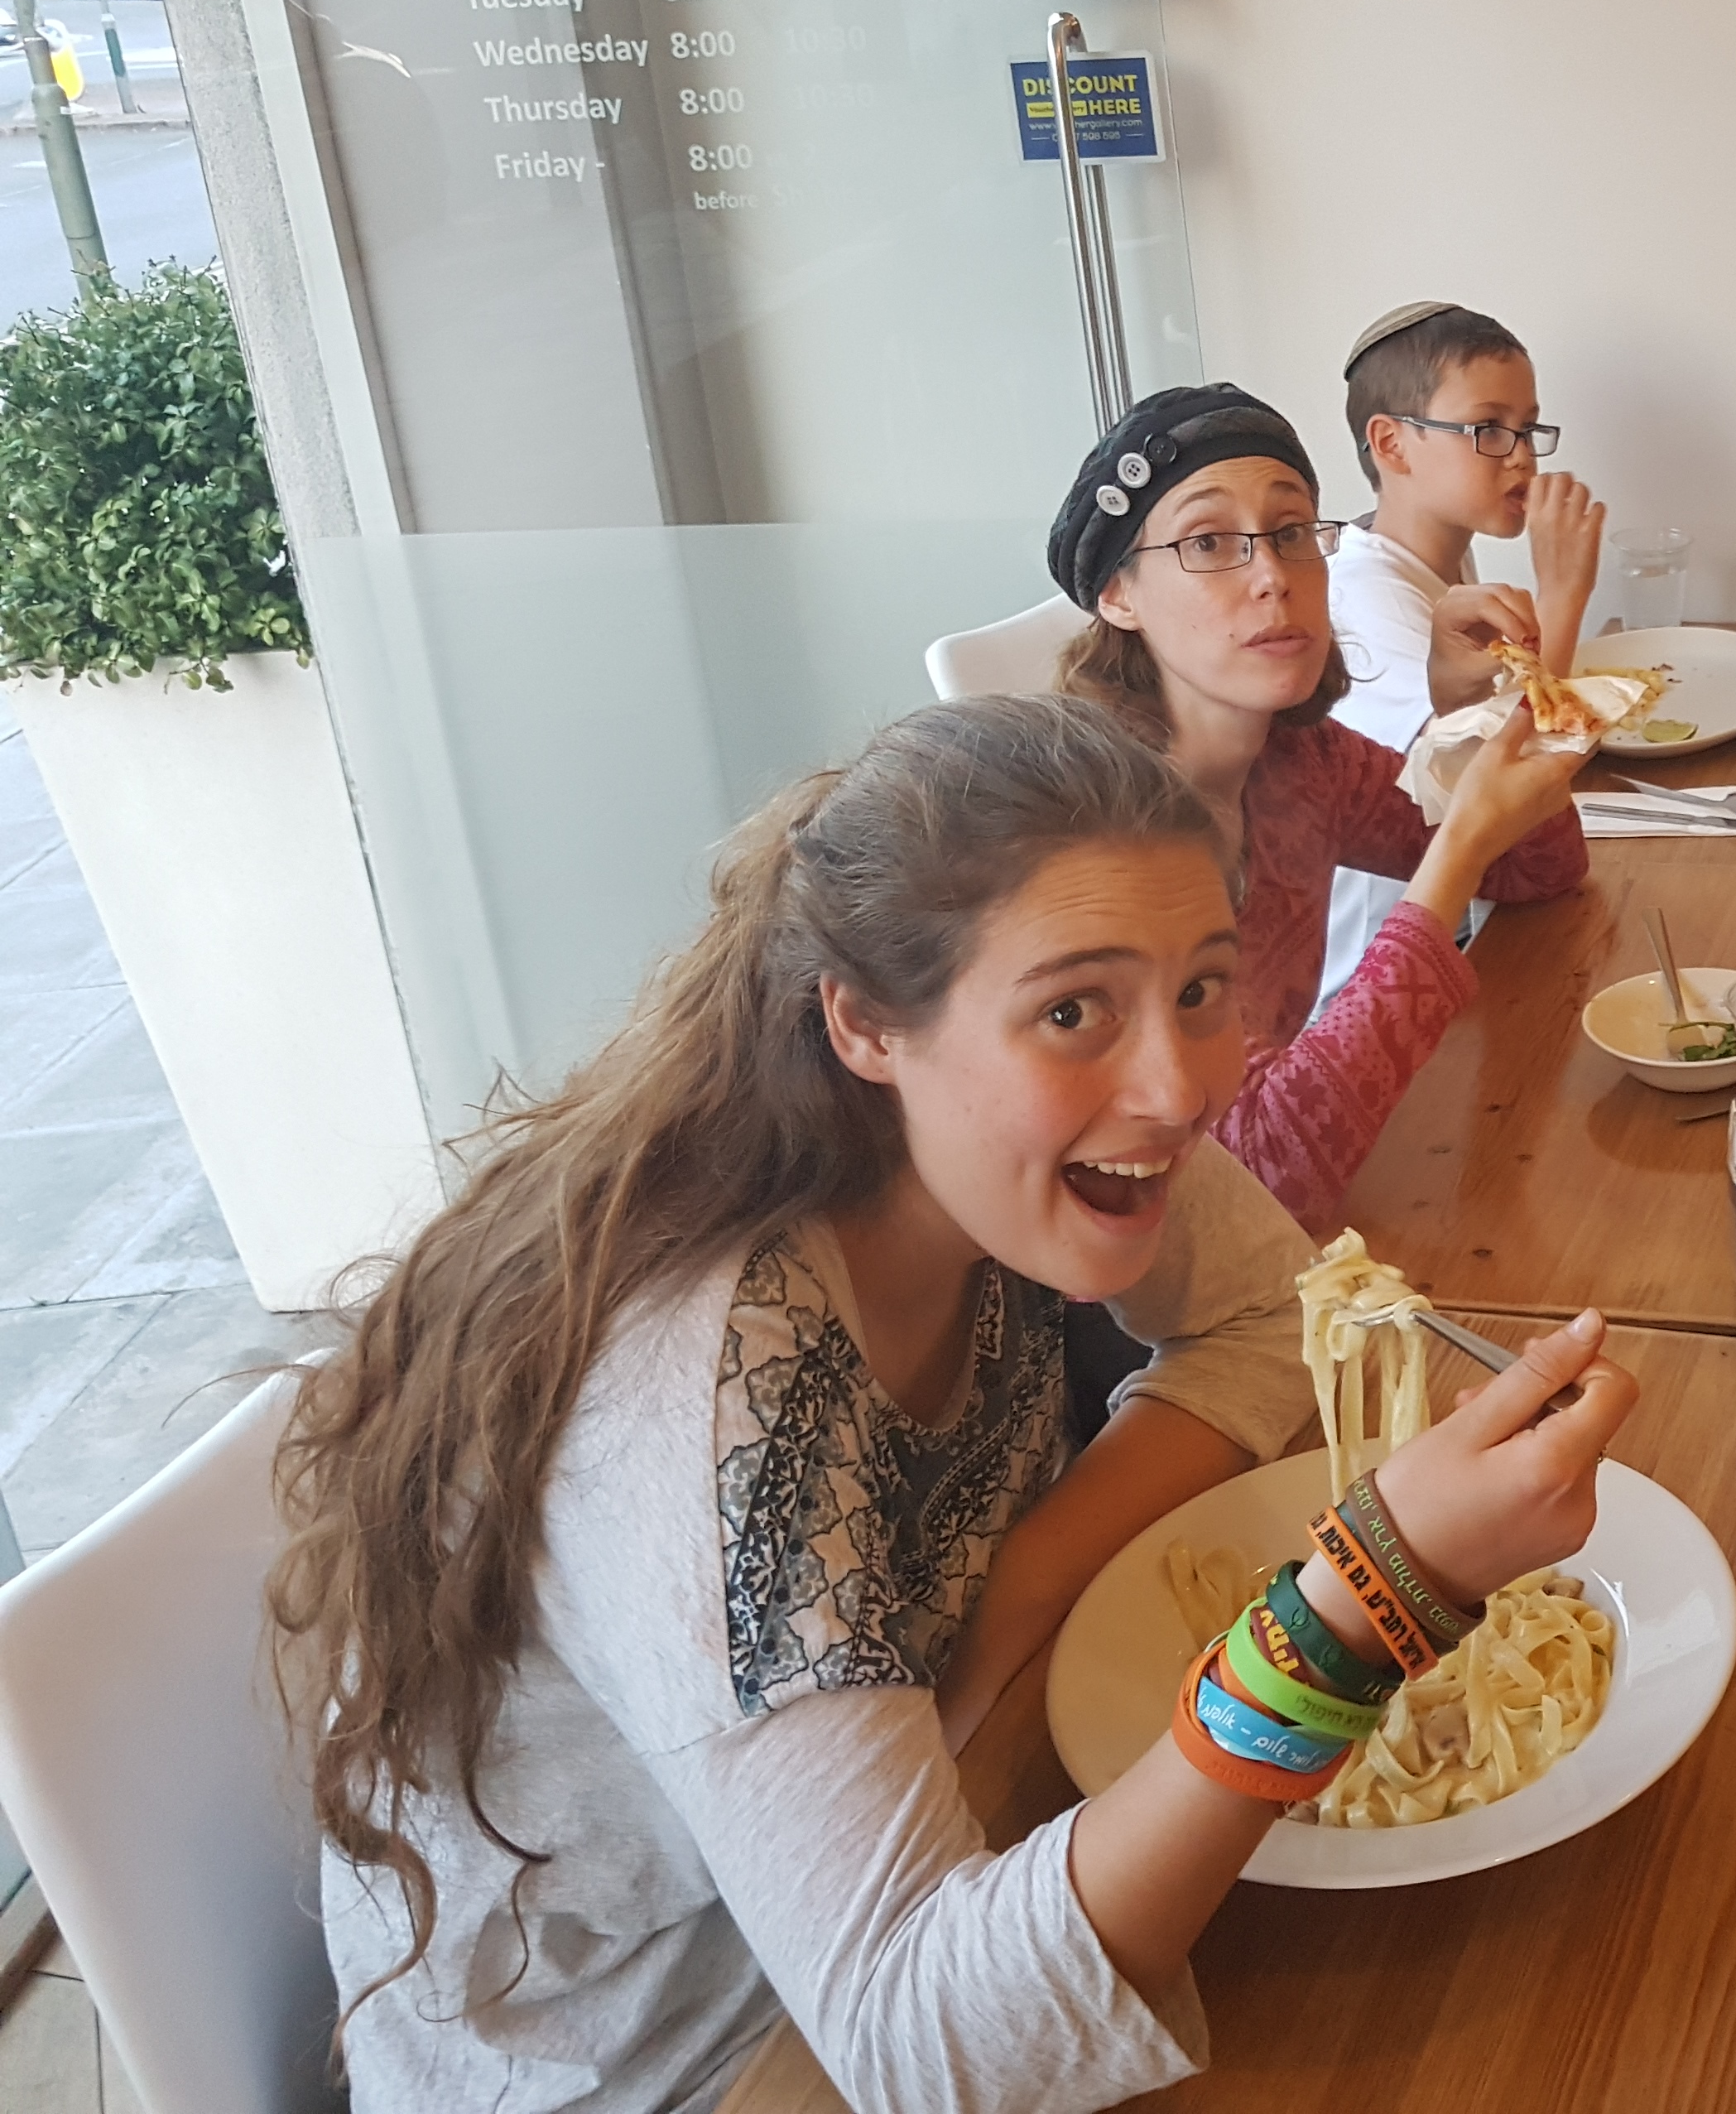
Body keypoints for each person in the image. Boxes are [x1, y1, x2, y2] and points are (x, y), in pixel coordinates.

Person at [269, 694, 1637, 2112]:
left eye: (1201, 988)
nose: (1177, 1085)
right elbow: (923, 2049)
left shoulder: (999, 1144)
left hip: (920, 1859)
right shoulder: (711, 1389)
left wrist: (1026, 1571)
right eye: (1071, 1009)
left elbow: (1266, 1309)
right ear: (867, 1023)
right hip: (681, 2057)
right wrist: (1369, 1596)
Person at [1046, 382, 1592, 1240]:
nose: (1271, 576)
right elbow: (1266, 1171)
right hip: (1128, 1261)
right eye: (1209, 542)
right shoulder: (1108, 853)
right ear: (1119, 595)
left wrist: (1461, 715)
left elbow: (1541, 866)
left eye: (1292, 532)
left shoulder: (1299, 760)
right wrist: (1458, 848)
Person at [1320, 300, 1605, 1016]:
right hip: (1374, 988)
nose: (1523, 456)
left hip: (1466, 927)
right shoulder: (1364, 598)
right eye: (1488, 429)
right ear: (1392, 444)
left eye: (1528, 427)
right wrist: (1564, 592)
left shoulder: (1443, 560)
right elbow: (1500, 776)